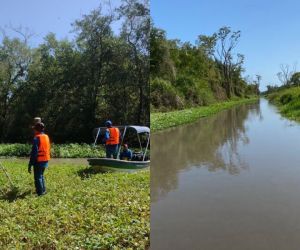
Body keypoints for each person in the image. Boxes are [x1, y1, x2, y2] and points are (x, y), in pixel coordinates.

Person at [28, 122, 51, 196]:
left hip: (39, 160)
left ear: (36, 130)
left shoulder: (36, 138)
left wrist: (30, 164)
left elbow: (34, 152)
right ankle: (43, 191)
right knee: (41, 176)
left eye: (34, 129)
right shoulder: (46, 136)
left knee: (37, 177)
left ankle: (40, 193)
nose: (33, 131)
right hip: (45, 160)